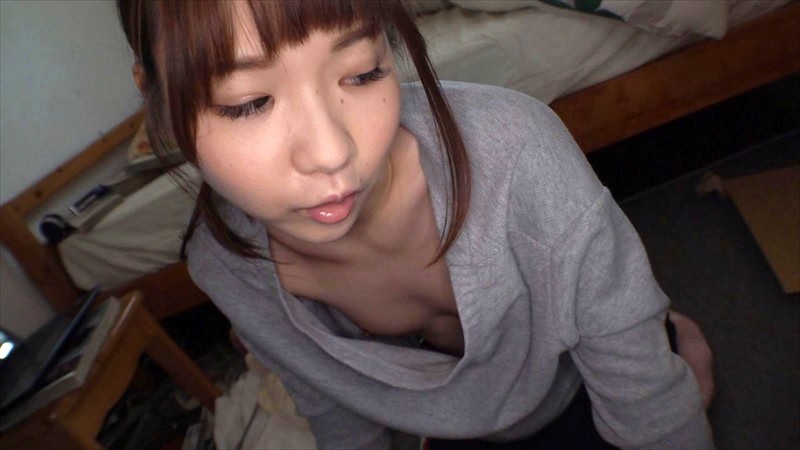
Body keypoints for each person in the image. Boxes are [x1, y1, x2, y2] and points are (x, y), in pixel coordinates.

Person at [117, 0, 714, 448]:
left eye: (361, 73)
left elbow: (646, 400)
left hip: (581, 381)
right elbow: (333, 410)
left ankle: (674, 336)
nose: (331, 152)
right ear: (158, 103)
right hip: (471, 428)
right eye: (249, 102)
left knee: (654, 371)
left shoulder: (518, 151)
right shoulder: (224, 268)